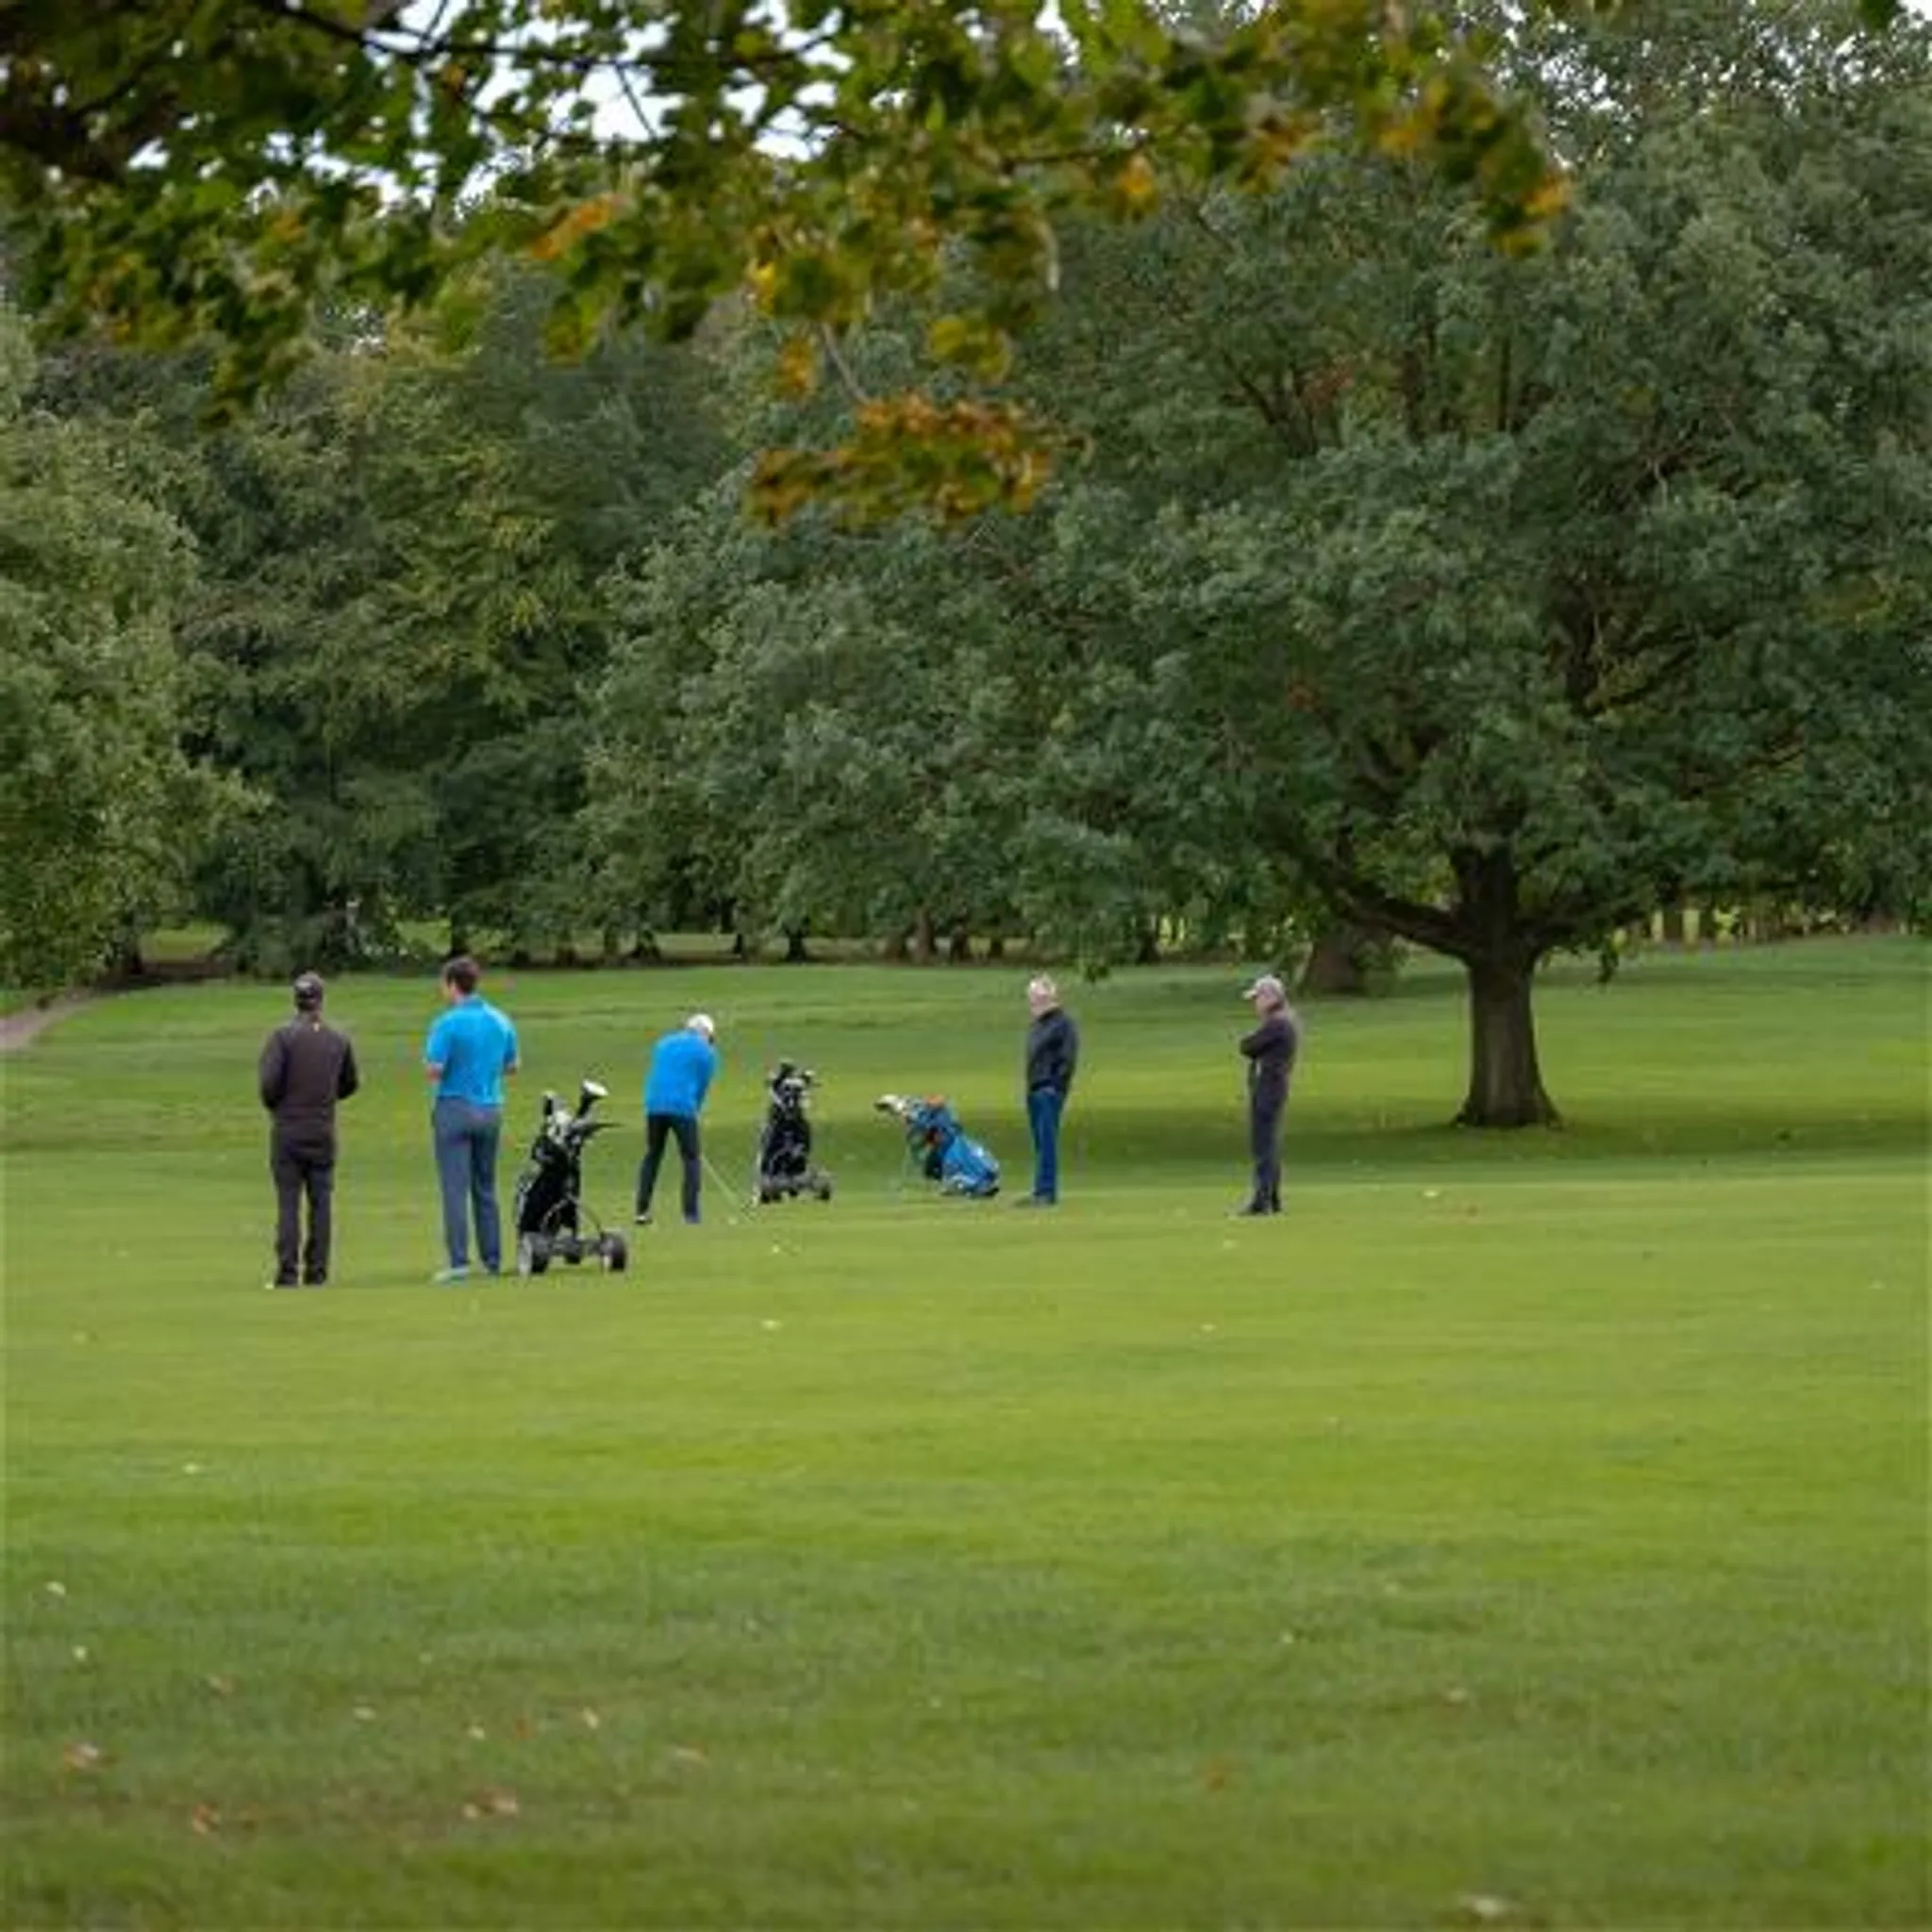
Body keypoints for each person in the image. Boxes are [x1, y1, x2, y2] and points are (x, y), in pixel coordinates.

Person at [258, 971, 359, 1288]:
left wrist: (281, 1105)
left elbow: (268, 1086)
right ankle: (317, 1271)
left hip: (289, 1128)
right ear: (321, 1000)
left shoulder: (282, 1037)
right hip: (322, 1128)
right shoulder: (338, 1039)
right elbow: (349, 1084)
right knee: (322, 1203)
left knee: (288, 1202)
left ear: (296, 1000)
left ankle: (287, 1273)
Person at [423, 955, 519, 1282]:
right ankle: (492, 1260)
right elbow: (512, 1066)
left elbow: (434, 1069)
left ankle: (459, 1261)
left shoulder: (447, 1023)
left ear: (453, 985)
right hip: (490, 1107)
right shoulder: (501, 1020)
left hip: (454, 1106)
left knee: (454, 1188)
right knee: (485, 1186)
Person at [637, 1013, 718, 1225]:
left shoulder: (663, 1043)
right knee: (691, 1159)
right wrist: (695, 1111)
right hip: (682, 1107)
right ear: (707, 1034)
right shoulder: (707, 1052)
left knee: (653, 1155)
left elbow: (660, 1072)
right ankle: (690, 1214)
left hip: (654, 1105)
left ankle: (641, 1211)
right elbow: (702, 1087)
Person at [1237, 974, 1300, 1216]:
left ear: (1271, 997)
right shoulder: (1283, 1021)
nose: (1255, 1004)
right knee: (1269, 1145)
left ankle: (1261, 1201)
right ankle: (1271, 1199)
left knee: (1264, 1146)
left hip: (1268, 1089)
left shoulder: (1277, 1024)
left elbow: (1247, 1046)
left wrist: (1250, 1042)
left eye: (1257, 998)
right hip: (1272, 1088)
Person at [1019, 974, 1078, 1207]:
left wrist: (1056, 1086)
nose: (1031, 1002)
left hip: (1049, 1091)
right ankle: (1040, 1190)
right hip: (1033, 1089)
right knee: (1040, 1143)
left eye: (1034, 997)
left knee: (1047, 1141)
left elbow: (1067, 1059)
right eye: (1030, 997)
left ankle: (1046, 1193)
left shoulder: (1063, 1024)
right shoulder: (1037, 1025)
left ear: (1047, 997)